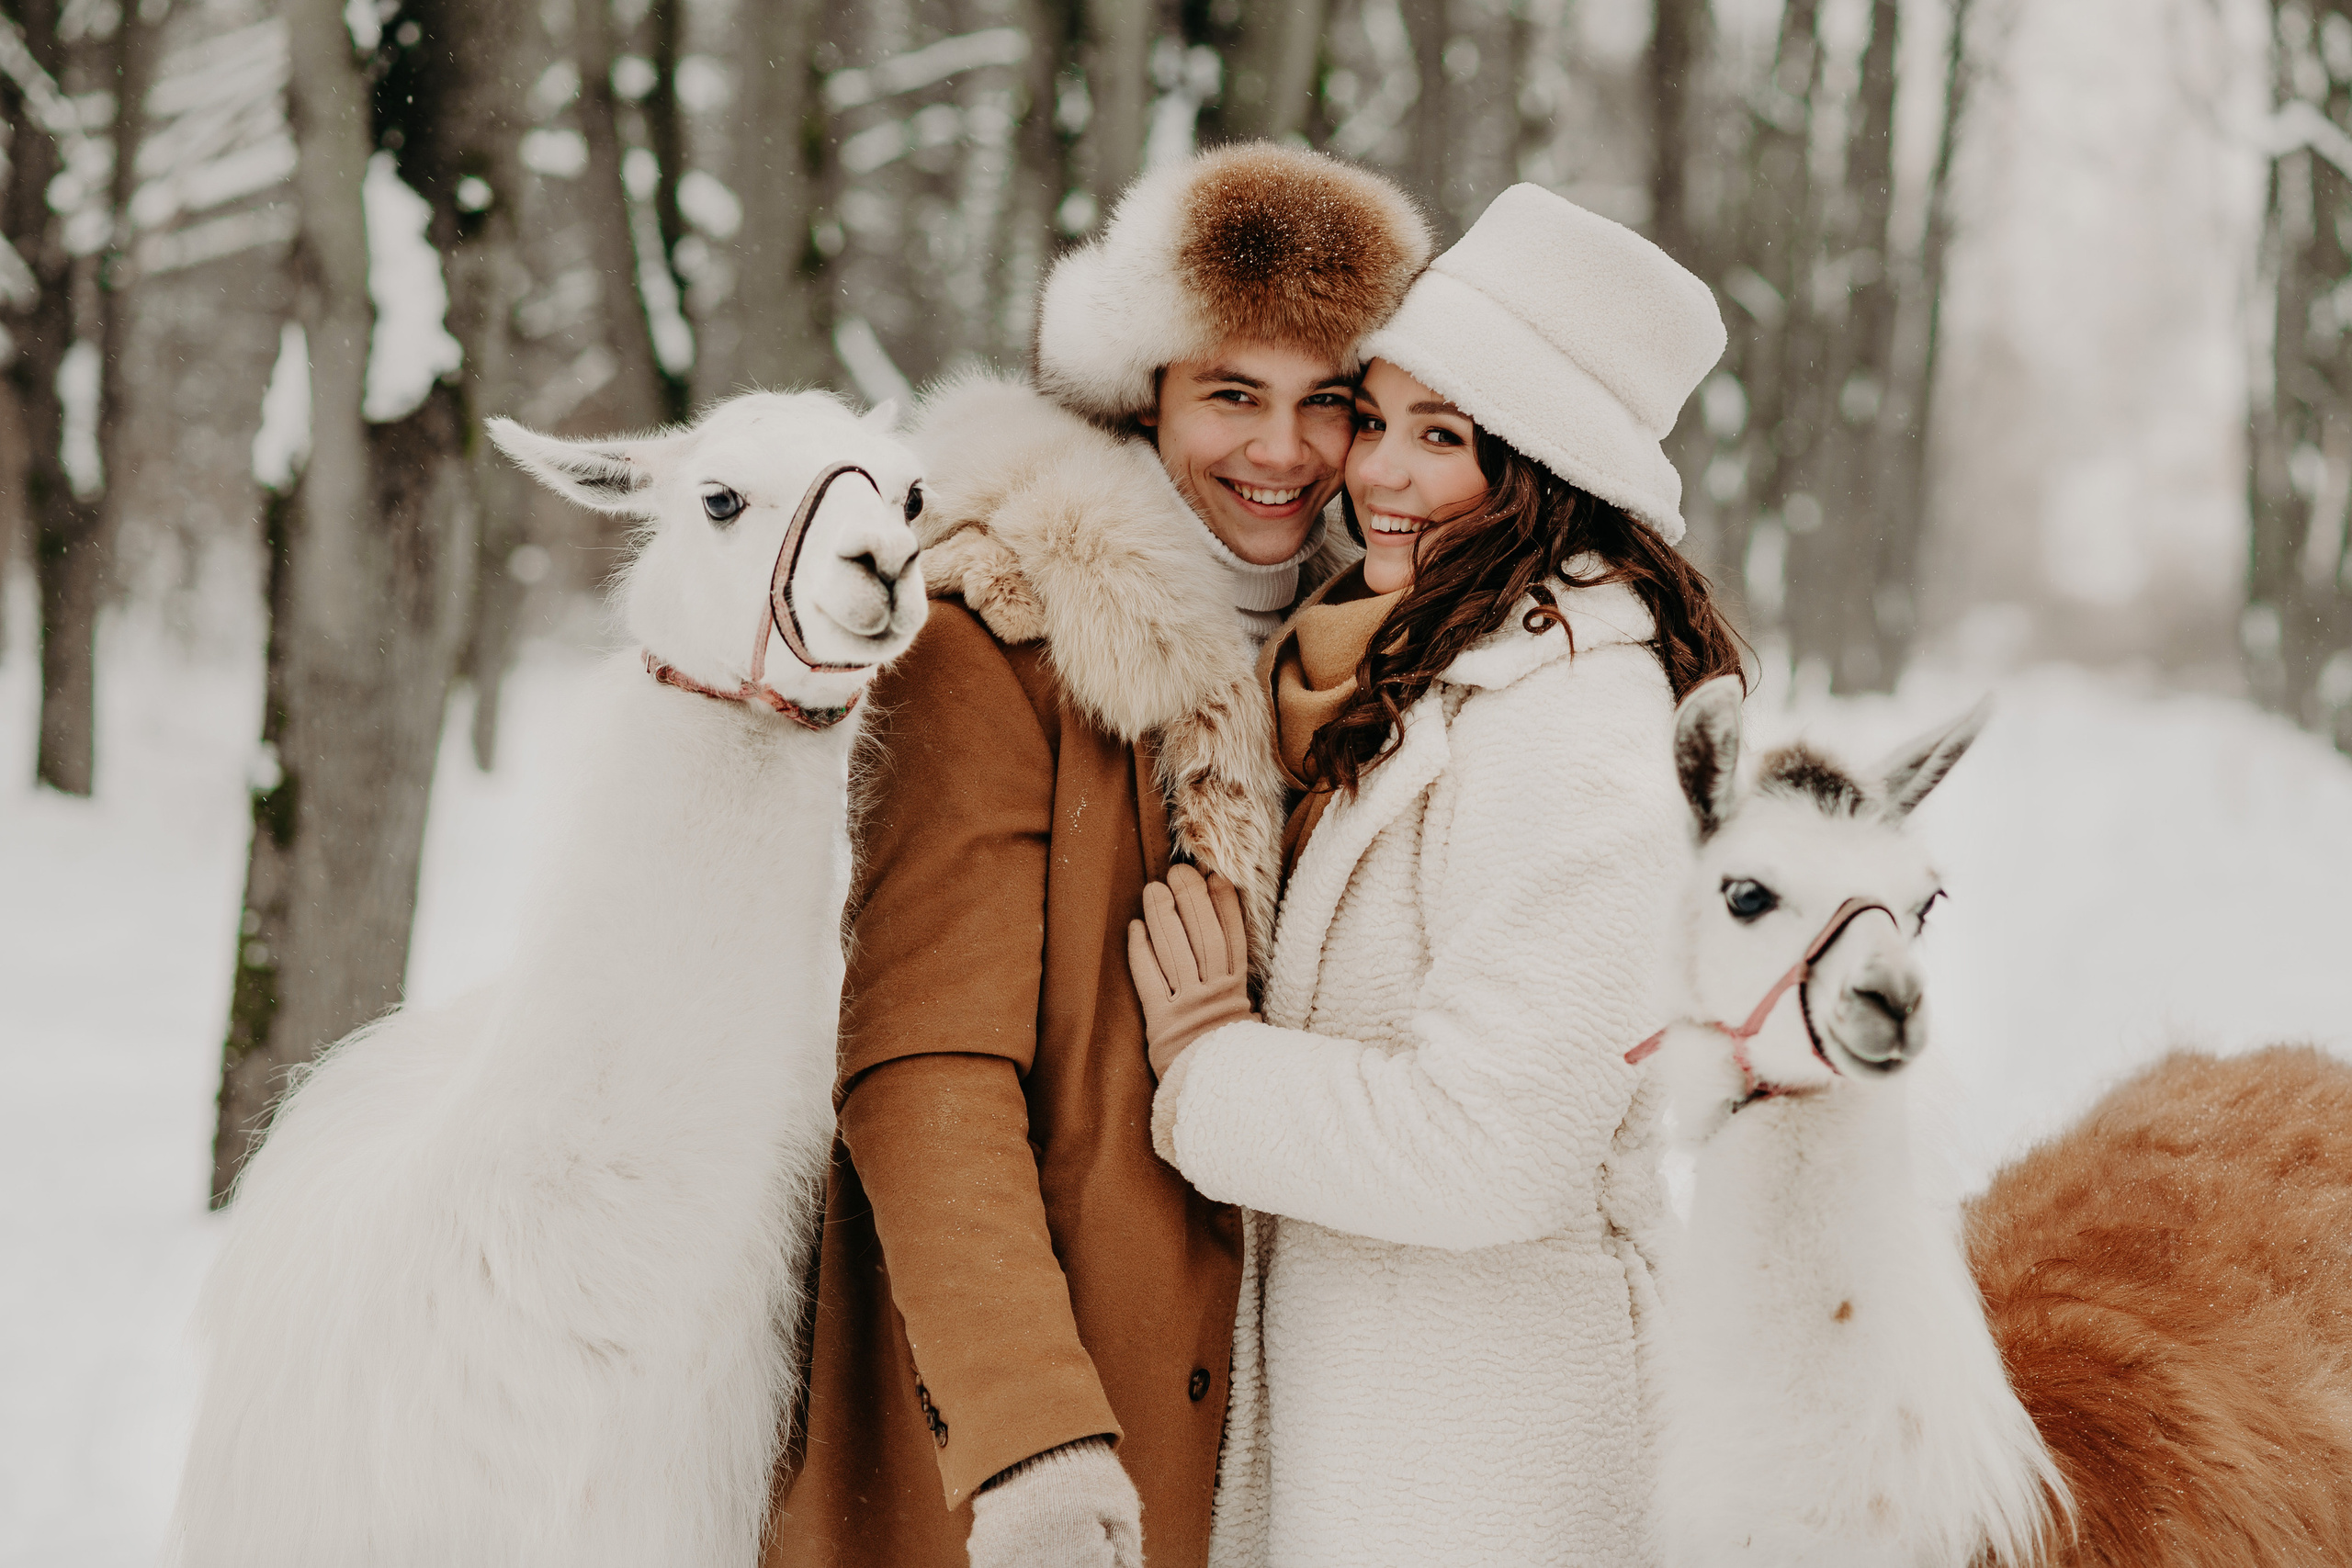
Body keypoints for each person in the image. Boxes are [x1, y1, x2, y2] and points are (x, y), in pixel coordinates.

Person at [762, 143, 1430, 1568]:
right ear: (1147, 395)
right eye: (1232, 396)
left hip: (1302, 1421)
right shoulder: (994, 635)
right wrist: (1030, 1434)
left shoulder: (1366, 661)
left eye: (1329, 403)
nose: (1284, 451)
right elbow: (922, 1064)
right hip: (1056, 1425)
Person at [1126, 184, 1744, 1566]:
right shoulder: (1432, 672)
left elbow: (1496, 1148)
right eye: (1379, 418)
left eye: (1443, 436)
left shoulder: (1576, 726)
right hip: (1392, 1425)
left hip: (1493, 1457)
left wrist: (1211, 1064)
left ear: (1543, 469)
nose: (1377, 475)